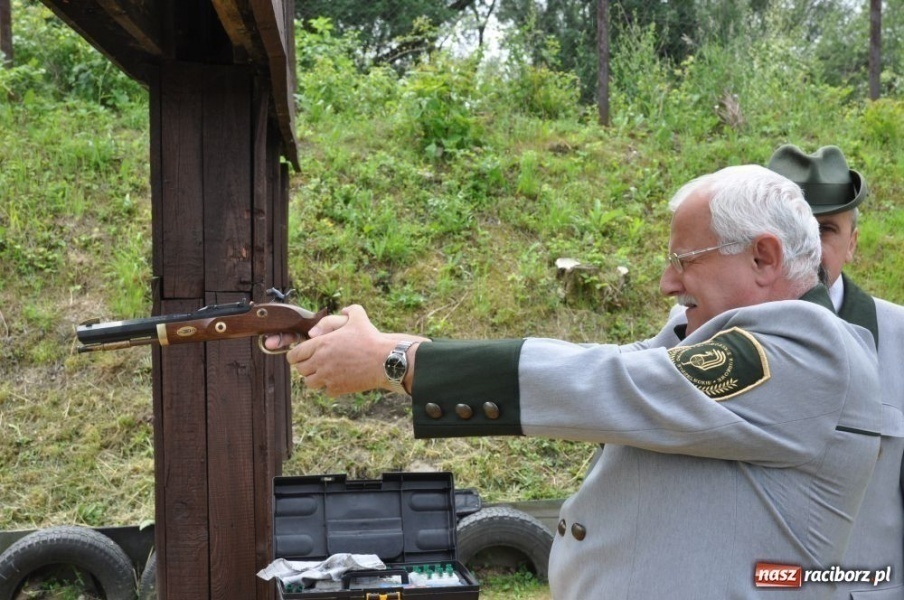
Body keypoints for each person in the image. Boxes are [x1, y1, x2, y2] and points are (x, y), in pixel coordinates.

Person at [270, 165, 882, 599]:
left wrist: (396, 360)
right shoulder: (733, 342)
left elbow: (612, 382)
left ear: (763, 258)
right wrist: (362, 343)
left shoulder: (809, 350)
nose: (668, 283)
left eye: (684, 261)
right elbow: (610, 363)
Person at [768, 144, 904, 599]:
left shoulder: (900, 337)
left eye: (825, 229)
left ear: (853, 243)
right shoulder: (701, 327)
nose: (807, 247)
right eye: (790, 229)